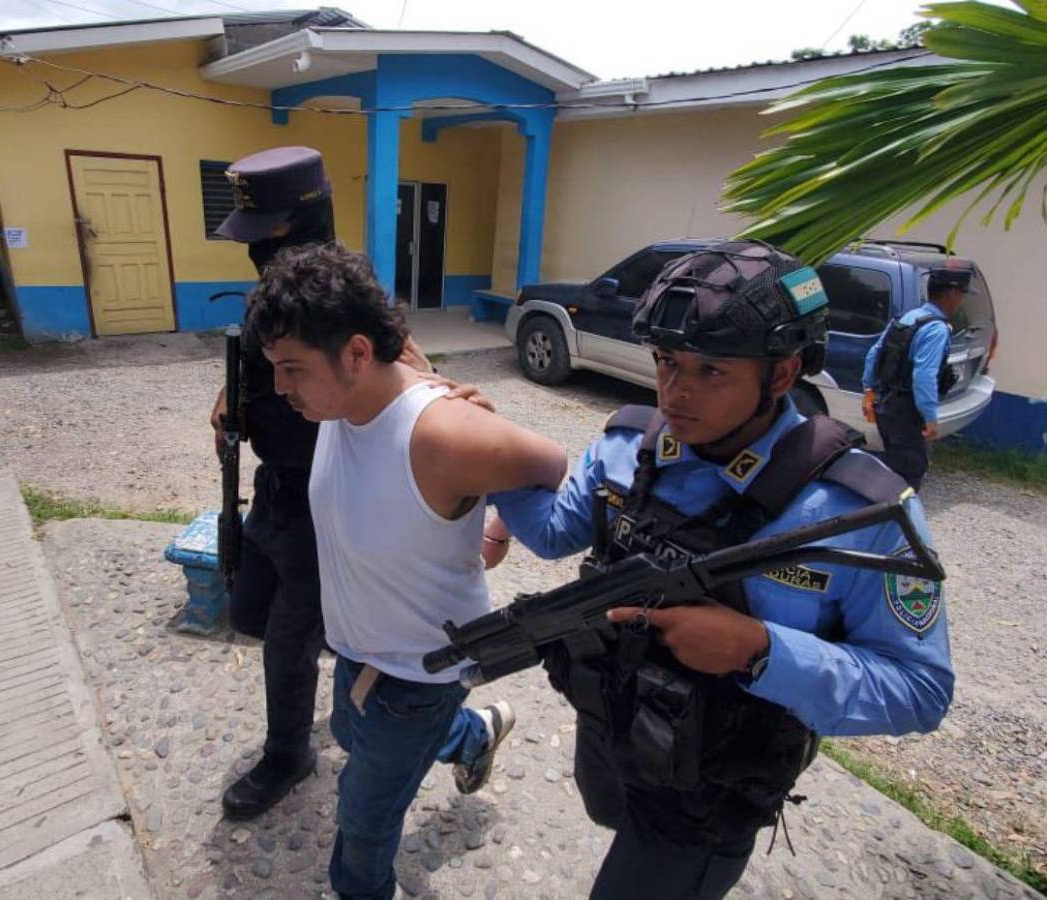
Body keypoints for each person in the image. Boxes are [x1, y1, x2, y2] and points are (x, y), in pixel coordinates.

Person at [489, 240, 954, 899]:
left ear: (783, 374)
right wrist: (485, 457)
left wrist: (761, 651)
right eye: (665, 362)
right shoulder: (627, 447)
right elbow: (553, 529)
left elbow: (920, 690)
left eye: (711, 371)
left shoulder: (860, 510)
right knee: (607, 811)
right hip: (612, 730)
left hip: (710, 796)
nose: (675, 391)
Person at [246, 241, 568, 900]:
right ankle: (473, 733)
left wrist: (496, 528)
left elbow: (559, 468)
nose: (281, 388)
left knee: (362, 820)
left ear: (357, 355)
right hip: (360, 652)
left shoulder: (442, 433)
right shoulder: (342, 399)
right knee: (346, 733)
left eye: (291, 370)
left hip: (421, 673)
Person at [208, 147, 483, 820]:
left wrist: (452, 399)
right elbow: (266, 363)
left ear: (302, 221)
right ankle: (454, 729)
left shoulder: (341, 301)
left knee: (289, 640)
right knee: (249, 614)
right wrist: (228, 396)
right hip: (275, 490)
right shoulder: (275, 297)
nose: (255, 252)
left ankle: (288, 754)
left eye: (265, 233)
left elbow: (413, 374)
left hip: (324, 502)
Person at [861, 263, 973, 490]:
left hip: (886, 405)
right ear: (951, 293)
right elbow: (924, 375)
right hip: (907, 412)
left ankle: (876, 516)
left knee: (893, 467)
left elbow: (875, 352)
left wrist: (868, 391)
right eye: (962, 294)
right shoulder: (936, 329)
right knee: (907, 478)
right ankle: (888, 522)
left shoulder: (909, 317)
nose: (962, 300)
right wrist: (930, 416)